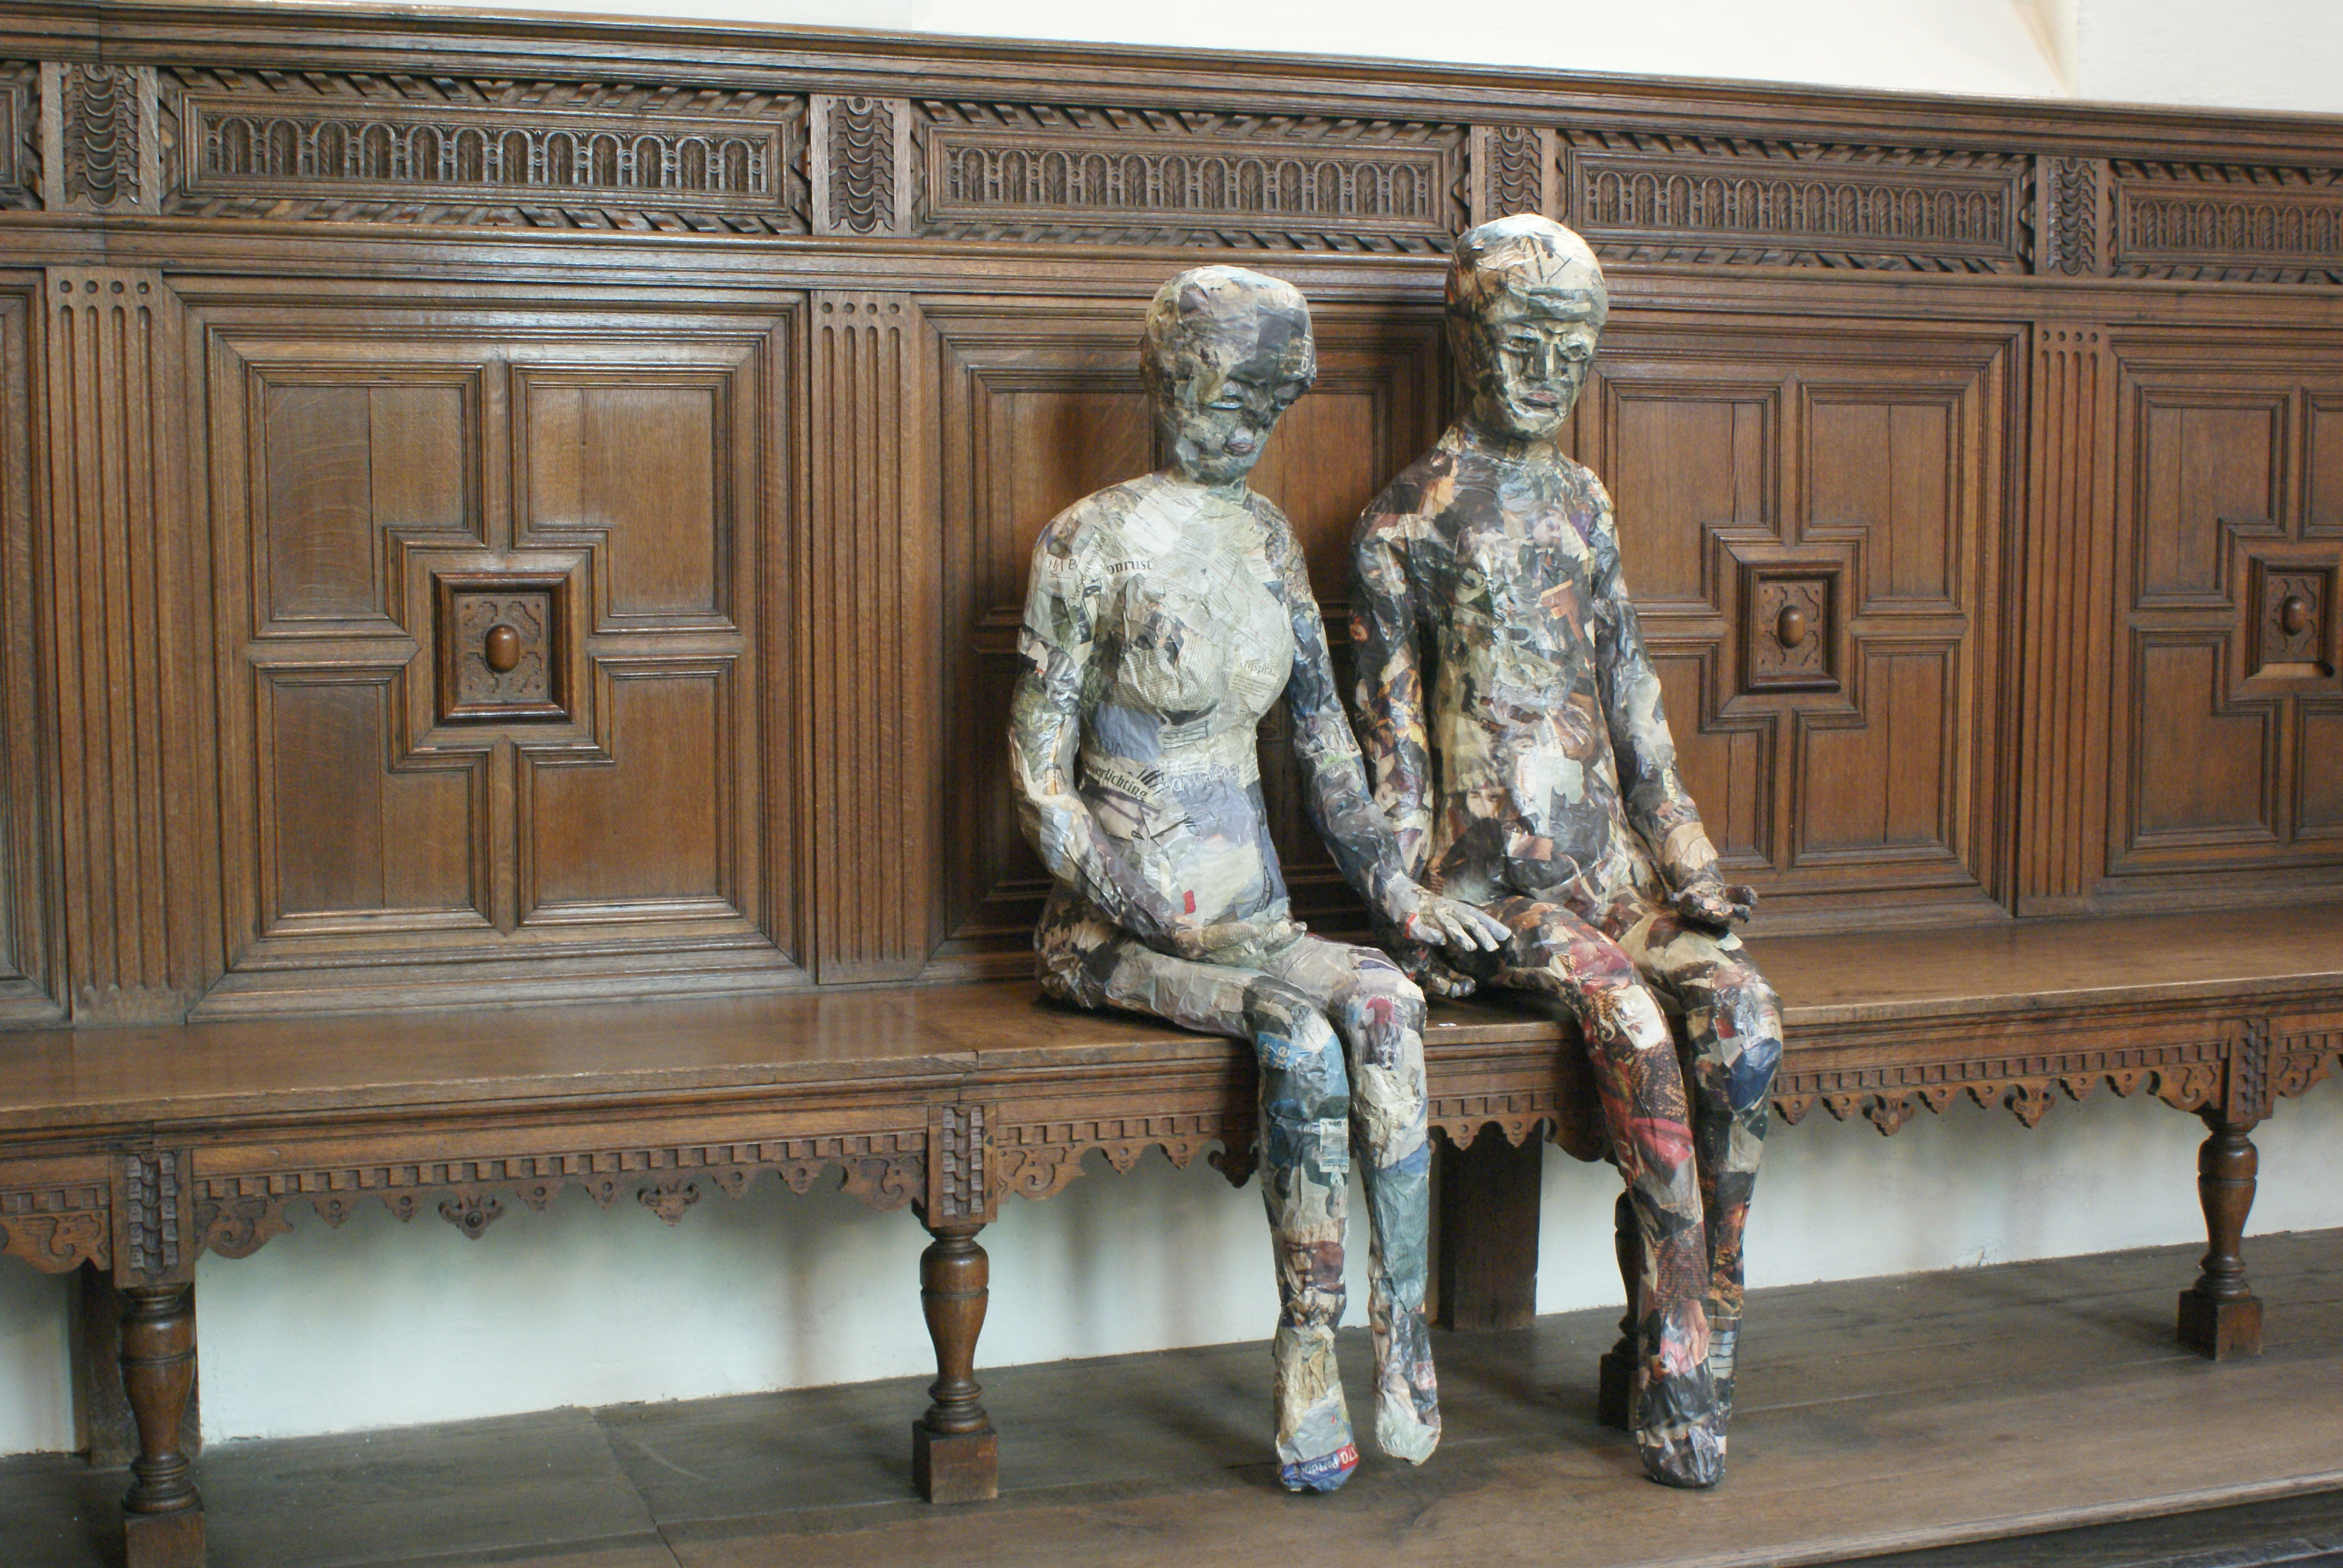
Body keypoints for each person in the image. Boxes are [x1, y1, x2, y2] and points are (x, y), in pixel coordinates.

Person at [1009, 264, 1509, 1494]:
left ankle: (1402, 1335)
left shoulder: (1270, 538)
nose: (1243, 428)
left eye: (1267, 406)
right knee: (1297, 1037)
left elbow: (1327, 750)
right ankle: (1306, 1351)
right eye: (1224, 395)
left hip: (1249, 918)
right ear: (1166, 380)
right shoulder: (1089, 542)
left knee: (1387, 1002)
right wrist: (1136, 901)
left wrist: (1401, 895)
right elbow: (1036, 780)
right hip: (1112, 932)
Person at [1348, 215, 1784, 1489]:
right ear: (1466, 339)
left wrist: (1689, 859)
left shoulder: (1583, 501)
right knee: (1632, 1030)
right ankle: (1680, 1360)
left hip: (1614, 878)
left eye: (1573, 350)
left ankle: (1703, 1308)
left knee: (1744, 1018)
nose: (1549, 373)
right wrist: (1408, 907)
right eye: (1523, 341)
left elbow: (1633, 701)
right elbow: (1390, 746)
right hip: (1494, 892)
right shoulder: (1403, 522)